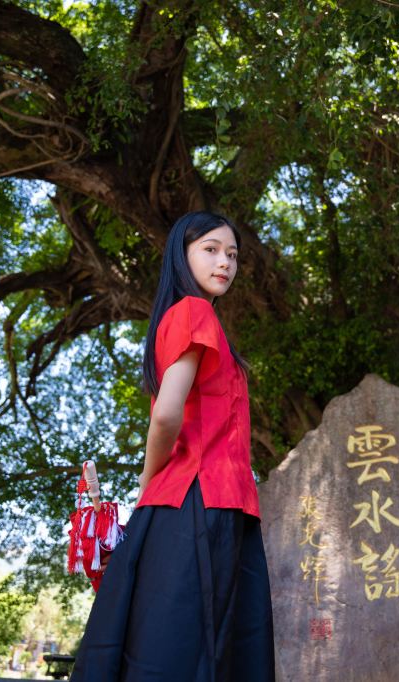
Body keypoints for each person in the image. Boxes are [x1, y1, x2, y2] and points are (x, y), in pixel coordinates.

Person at [70, 212, 275, 682]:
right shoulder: (194, 311)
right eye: (210, 249)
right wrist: (147, 477)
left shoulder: (182, 317)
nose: (224, 262)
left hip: (198, 503)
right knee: (203, 650)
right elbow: (167, 413)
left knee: (169, 645)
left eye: (232, 254)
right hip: (203, 502)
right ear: (181, 256)